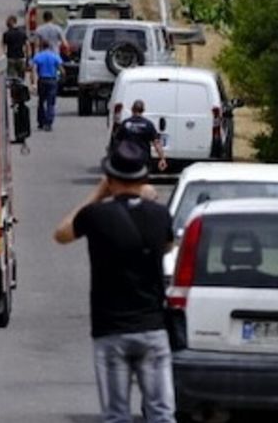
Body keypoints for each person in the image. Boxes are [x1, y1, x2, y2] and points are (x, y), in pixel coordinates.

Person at [53, 140, 176, 423]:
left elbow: (61, 234)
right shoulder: (159, 215)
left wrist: (98, 193)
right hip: (152, 327)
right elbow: (168, 246)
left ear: (110, 178)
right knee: (161, 413)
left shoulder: (97, 216)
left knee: (116, 415)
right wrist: (147, 201)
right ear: (143, 177)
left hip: (111, 329)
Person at [112, 100, 167, 171]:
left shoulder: (125, 123)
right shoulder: (148, 124)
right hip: (142, 160)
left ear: (132, 109)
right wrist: (162, 158)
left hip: (127, 159)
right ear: (143, 110)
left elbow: (117, 142)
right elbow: (156, 143)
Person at [29, 37, 63, 131]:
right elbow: (61, 69)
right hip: (52, 80)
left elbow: (33, 69)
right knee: (50, 103)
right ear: (50, 46)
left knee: (41, 101)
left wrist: (33, 83)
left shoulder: (38, 56)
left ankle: (41, 122)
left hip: (42, 80)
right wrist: (61, 76)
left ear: (41, 46)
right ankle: (49, 122)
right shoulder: (54, 56)